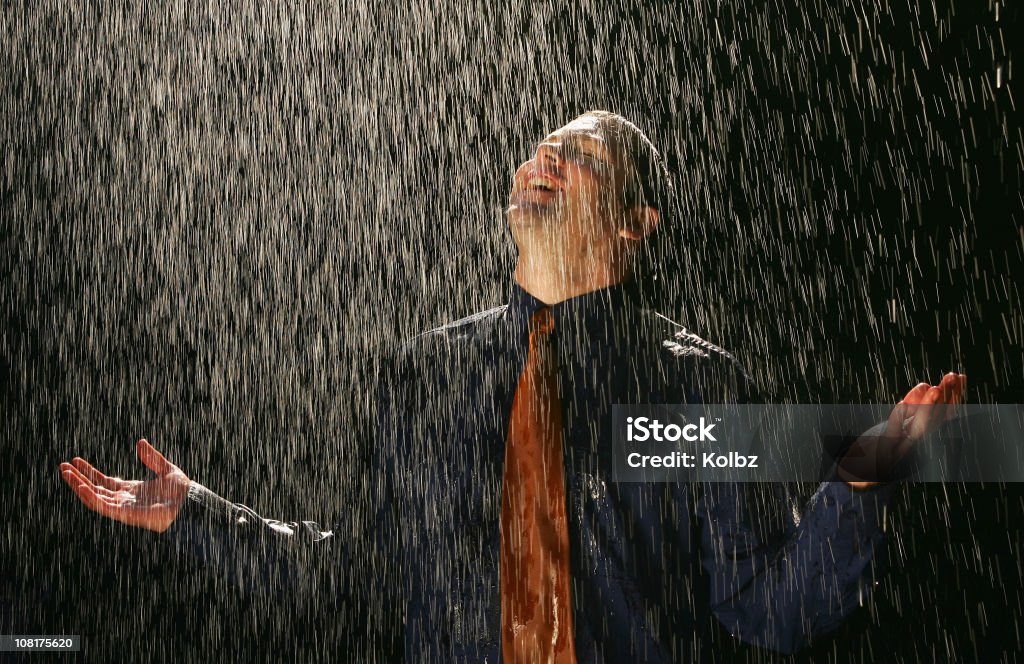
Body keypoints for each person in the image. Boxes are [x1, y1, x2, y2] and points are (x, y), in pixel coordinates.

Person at [59, 111, 966, 662]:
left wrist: (860, 484)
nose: (545, 162)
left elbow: (763, 607)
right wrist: (198, 514)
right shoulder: (422, 375)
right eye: (540, 148)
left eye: (581, 160)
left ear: (636, 225)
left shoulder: (695, 392)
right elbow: (359, 580)